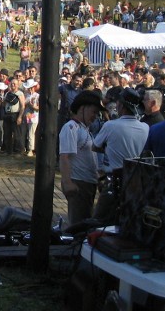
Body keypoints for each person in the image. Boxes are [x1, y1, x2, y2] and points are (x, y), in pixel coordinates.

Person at [92, 88, 149, 224]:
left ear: (121, 106)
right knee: (128, 220)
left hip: (113, 181)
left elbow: (95, 146)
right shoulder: (145, 127)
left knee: (99, 220)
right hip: (135, 182)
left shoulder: (111, 125)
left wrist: (110, 148)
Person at [59, 90, 103, 227]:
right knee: (78, 225)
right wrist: (67, 182)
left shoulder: (84, 129)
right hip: (79, 183)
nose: (95, 116)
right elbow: (64, 156)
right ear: (82, 108)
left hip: (88, 183)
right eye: (93, 112)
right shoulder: (71, 127)